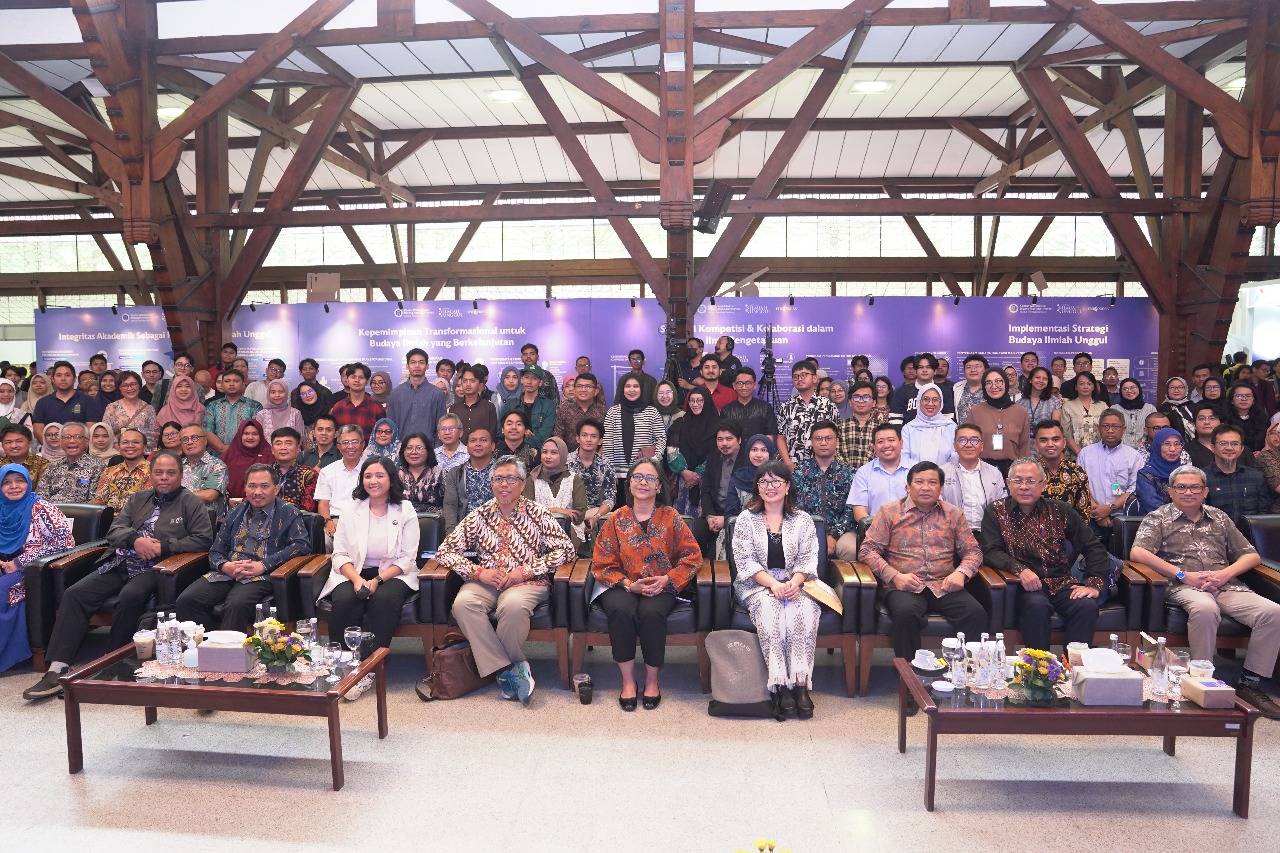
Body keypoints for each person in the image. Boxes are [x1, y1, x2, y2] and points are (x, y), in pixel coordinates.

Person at [23, 451, 213, 700]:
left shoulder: (191, 503)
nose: (164, 477)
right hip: (122, 560)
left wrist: (163, 546)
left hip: (158, 566)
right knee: (76, 593)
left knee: (130, 596)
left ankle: (110, 664)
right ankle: (57, 669)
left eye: (170, 472)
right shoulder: (139, 498)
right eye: (158, 472)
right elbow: (115, 530)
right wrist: (135, 541)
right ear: (151, 475)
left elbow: (203, 539)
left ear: (181, 475)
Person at [1129, 465, 1280, 718]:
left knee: (1273, 612)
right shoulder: (1158, 517)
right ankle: (1201, 680)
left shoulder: (1219, 517)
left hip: (1225, 585)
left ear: (1205, 491)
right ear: (1170, 491)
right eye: (1181, 487)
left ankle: (1250, 683)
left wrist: (1225, 574)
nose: (1188, 492)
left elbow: (1251, 555)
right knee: (1205, 608)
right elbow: (1138, 552)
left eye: (1195, 487)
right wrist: (1183, 574)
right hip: (1183, 585)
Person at [435, 455, 576, 706]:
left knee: (511, 606)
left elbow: (566, 550)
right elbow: (445, 551)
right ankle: (509, 669)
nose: (504, 484)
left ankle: (501, 670)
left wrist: (525, 571)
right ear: (491, 484)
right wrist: (478, 572)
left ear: (522, 484)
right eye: (498, 479)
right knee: (463, 604)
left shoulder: (538, 513)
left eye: (511, 479)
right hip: (486, 580)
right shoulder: (480, 514)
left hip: (527, 582)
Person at [859, 461, 984, 710]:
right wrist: (894, 576)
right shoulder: (889, 512)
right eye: (919, 482)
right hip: (905, 584)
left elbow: (973, 551)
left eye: (932, 483)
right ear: (908, 486)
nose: (926, 487)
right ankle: (911, 686)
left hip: (943, 584)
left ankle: (965, 682)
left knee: (976, 614)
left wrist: (961, 573)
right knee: (906, 614)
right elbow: (867, 550)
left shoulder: (953, 514)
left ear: (941, 488)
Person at [589, 458, 701, 710]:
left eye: (650, 478)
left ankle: (652, 681)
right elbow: (602, 562)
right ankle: (628, 681)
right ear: (629, 484)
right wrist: (629, 584)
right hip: (622, 584)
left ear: (659, 486)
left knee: (651, 613)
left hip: (661, 583)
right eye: (637, 477)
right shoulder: (616, 518)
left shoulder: (671, 517)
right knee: (621, 610)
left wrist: (668, 579)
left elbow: (692, 556)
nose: (643, 482)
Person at [980, 457, 1108, 651]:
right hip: (1024, 586)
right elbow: (990, 551)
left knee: (1086, 606)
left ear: (1043, 484)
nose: (1024, 486)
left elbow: (1093, 546)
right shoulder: (996, 511)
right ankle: (1039, 666)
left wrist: (1094, 583)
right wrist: (1020, 569)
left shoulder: (1061, 510)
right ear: (1008, 483)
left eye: (1031, 481)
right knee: (1037, 606)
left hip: (1061, 581)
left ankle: (1074, 665)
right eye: (1018, 480)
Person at [731, 460, 822, 718]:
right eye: (764, 482)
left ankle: (801, 684)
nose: (770, 487)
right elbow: (745, 561)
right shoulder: (746, 519)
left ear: (787, 486)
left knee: (803, 611)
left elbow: (808, 558)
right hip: (758, 584)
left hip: (796, 582)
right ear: (757, 487)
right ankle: (780, 684)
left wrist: (794, 582)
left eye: (776, 481)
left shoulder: (803, 520)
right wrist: (774, 584)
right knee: (772, 613)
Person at [175, 464, 312, 632]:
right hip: (228, 572)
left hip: (261, 575)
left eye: (264, 486)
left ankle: (230, 649)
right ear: (245, 488)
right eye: (252, 486)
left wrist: (263, 565)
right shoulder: (236, 512)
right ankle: (206, 644)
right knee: (187, 600)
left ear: (276, 489)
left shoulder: (288, 512)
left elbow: (301, 545)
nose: (257, 492)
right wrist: (225, 566)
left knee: (236, 604)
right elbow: (216, 550)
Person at [313, 456, 421, 662]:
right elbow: (340, 554)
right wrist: (356, 580)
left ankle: (372, 663)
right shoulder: (350, 510)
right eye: (368, 476)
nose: (373, 481)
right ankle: (343, 662)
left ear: (391, 479)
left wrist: (377, 581)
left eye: (380, 476)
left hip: (394, 573)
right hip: (354, 571)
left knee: (383, 599)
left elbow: (407, 558)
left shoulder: (405, 509)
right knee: (346, 599)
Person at [0, 464, 73, 671]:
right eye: (6, 482)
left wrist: (19, 562)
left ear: (29, 483)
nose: (14, 486)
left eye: (19, 481)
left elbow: (64, 542)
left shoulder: (41, 508)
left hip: (31, 569)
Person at [787, 422, 855, 560]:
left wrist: (834, 535)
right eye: (818, 439)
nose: (823, 443)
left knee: (850, 549)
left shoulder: (849, 473)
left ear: (837, 441)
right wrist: (814, 534)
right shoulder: (799, 472)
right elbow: (794, 507)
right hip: (806, 531)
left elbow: (851, 510)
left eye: (828, 438)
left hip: (842, 532)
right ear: (812, 442)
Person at [1075, 409, 1141, 544]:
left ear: (1123, 429)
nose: (1110, 431)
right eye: (1105, 426)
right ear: (1098, 428)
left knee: (1122, 555)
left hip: (1122, 518)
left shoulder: (1134, 456)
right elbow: (1079, 485)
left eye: (1115, 427)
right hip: (1091, 518)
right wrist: (1098, 512)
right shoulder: (1085, 454)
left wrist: (1109, 509)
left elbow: (1134, 489)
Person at [601, 375, 666, 507]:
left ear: (642, 389)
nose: (632, 390)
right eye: (628, 386)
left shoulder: (651, 412)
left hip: (645, 476)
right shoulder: (613, 412)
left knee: (643, 511)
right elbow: (607, 444)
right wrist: (610, 472)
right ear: (622, 389)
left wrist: (654, 460)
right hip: (619, 476)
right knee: (620, 513)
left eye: (636, 386)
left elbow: (661, 439)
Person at [687, 421, 745, 559]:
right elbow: (705, 491)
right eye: (720, 439)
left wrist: (725, 519)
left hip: (737, 516)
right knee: (693, 535)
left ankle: (712, 569)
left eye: (729, 439)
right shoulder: (713, 458)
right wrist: (710, 517)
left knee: (714, 554)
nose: (724, 443)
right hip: (714, 514)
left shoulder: (747, 461)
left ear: (739, 440)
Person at [941, 423, 1008, 531]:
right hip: (952, 533)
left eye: (974, 440)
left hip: (987, 533)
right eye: (962, 440)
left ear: (982, 446)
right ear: (955, 446)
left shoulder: (994, 473)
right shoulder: (942, 473)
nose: (968, 445)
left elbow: (1002, 506)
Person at [665, 387, 720, 517]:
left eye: (700, 400)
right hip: (683, 482)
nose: (695, 404)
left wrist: (699, 473)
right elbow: (671, 449)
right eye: (692, 400)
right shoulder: (680, 424)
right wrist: (684, 472)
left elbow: (719, 452)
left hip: (708, 481)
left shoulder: (718, 426)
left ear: (707, 401)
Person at [524, 436, 587, 546]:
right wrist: (557, 510)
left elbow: (580, 515)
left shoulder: (573, 479)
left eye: (554, 452)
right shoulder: (532, 479)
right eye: (544, 452)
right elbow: (527, 512)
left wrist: (546, 514)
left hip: (568, 532)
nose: (548, 456)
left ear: (562, 455)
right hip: (538, 531)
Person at [1204, 423, 1271, 527]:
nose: (1229, 448)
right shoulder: (1202, 478)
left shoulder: (1255, 477)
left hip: (1250, 535)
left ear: (1241, 449)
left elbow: (1264, 514)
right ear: (1212, 447)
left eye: (1235, 444)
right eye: (1223, 443)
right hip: (1215, 535)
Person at [966, 368, 1030, 476]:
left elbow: (1024, 447)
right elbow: (969, 444)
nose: (994, 386)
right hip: (981, 471)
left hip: (1012, 472)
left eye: (998, 381)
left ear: (1006, 383)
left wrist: (1023, 472)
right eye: (988, 382)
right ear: (984, 386)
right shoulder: (975, 412)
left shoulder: (1020, 412)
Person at [777, 361, 840, 470]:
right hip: (793, 466)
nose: (799, 379)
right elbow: (781, 437)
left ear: (814, 378)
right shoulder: (786, 407)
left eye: (804, 375)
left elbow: (835, 437)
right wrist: (788, 463)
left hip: (821, 467)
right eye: (795, 376)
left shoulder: (829, 406)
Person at [849, 422, 912, 525]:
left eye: (891, 440)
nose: (886, 445)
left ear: (901, 443)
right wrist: (878, 529)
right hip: (875, 529)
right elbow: (859, 511)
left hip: (912, 529)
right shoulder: (864, 472)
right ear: (874, 447)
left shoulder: (916, 470)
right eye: (880, 441)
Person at [1033, 420, 1095, 521]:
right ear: (1036, 445)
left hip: (1070, 530)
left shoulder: (1077, 472)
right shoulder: (1027, 473)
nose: (1050, 444)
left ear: (1064, 443)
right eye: (1044, 440)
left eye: (1055, 439)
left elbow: (1084, 514)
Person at [316, 424, 367, 543]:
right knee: (325, 540)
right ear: (339, 446)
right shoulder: (327, 471)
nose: (350, 446)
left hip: (365, 520)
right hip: (336, 520)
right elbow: (323, 504)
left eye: (355, 442)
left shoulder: (371, 470)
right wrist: (328, 522)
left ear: (363, 445)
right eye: (345, 443)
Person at [442, 426, 496, 536]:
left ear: (492, 446)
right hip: (465, 532)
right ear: (467, 448)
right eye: (473, 441)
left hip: (496, 530)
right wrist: (451, 533)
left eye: (483, 440)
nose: (478, 444)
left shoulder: (503, 471)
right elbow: (450, 505)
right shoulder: (456, 473)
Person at [387, 348, 447, 447]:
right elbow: (390, 427)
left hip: (428, 450)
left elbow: (441, 427)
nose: (417, 366)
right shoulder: (396, 394)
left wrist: (436, 452)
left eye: (421, 362)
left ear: (427, 366)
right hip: (400, 450)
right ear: (407, 366)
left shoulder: (437, 394)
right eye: (413, 362)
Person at [32, 361, 104, 443]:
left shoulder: (88, 401)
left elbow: (91, 429)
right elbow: (38, 430)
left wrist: (75, 446)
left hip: (80, 448)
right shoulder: (42, 403)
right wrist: (52, 447)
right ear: (52, 379)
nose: (63, 378)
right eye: (59, 375)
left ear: (74, 379)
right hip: (51, 448)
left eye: (67, 375)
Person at [36, 422, 104, 503]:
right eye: (67, 437)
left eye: (78, 436)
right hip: (52, 510)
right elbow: (40, 497)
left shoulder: (97, 467)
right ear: (60, 442)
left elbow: (95, 501)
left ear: (86, 442)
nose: (72, 441)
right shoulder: (53, 467)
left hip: (81, 510)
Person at [568, 418, 614, 536]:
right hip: (569, 514)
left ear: (600, 441)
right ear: (577, 438)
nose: (588, 439)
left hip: (595, 513)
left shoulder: (606, 465)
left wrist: (597, 516)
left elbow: (610, 498)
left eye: (593, 436)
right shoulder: (566, 462)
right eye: (584, 435)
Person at [201, 369, 261, 455]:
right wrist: (222, 448)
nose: (231, 384)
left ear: (243, 384)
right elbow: (207, 431)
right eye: (227, 381)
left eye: (236, 381)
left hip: (246, 454)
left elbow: (256, 432)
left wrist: (239, 450)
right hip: (218, 456)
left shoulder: (254, 406)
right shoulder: (212, 406)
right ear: (222, 385)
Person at [177, 423, 228, 520]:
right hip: (177, 519)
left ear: (205, 441)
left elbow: (210, 496)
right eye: (185, 439)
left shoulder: (217, 465)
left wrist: (175, 495)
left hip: (205, 520)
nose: (189, 442)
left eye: (194, 438)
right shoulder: (176, 465)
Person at [91, 428, 150, 512]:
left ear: (144, 448)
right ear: (119, 447)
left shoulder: (154, 472)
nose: (130, 445)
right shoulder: (108, 472)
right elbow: (100, 501)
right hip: (109, 518)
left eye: (135, 442)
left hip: (139, 518)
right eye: (125, 442)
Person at [889, 353, 955, 426]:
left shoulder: (944, 392)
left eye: (928, 367)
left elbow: (948, 419)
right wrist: (905, 433)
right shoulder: (901, 391)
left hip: (938, 432)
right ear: (916, 371)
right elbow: (895, 420)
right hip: (908, 432)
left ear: (935, 371)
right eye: (920, 367)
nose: (924, 370)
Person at [1187, 402, 1256, 470]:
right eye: (1201, 418)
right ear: (1194, 425)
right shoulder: (1186, 451)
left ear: (1222, 424)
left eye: (1212, 418)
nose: (1207, 422)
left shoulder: (1240, 449)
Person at [719, 367, 779, 443]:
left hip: (759, 449)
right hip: (734, 450)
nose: (744, 387)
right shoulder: (726, 410)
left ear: (754, 385)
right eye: (740, 383)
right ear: (734, 385)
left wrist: (760, 449)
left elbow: (769, 436)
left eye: (748, 383)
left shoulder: (765, 408)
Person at [1133, 427, 1186, 515]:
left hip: (1188, 520)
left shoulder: (1186, 473)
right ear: (1157, 446)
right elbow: (1154, 506)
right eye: (1167, 444)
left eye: (1177, 444)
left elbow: (1198, 501)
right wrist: (1182, 518)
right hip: (1155, 521)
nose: (1172, 449)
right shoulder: (1145, 475)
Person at [900, 384, 956, 466]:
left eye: (935, 399)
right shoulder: (908, 429)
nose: (930, 403)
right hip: (915, 473)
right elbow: (905, 458)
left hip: (946, 473)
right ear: (919, 401)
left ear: (941, 403)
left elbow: (955, 457)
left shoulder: (951, 427)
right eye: (926, 399)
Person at [329, 362, 386, 441]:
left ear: (367, 381)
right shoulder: (338, 407)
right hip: (343, 449)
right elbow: (333, 435)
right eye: (353, 377)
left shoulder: (377, 407)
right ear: (347, 380)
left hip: (369, 449)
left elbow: (382, 436)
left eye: (361, 377)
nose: (357, 380)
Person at [502, 366, 556, 449]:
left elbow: (544, 436)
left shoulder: (548, 405)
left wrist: (522, 439)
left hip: (539, 452)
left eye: (534, 378)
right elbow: (501, 431)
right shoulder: (510, 404)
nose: (529, 382)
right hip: (512, 451)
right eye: (526, 377)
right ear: (521, 380)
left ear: (540, 382)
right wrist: (521, 433)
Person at [220, 420, 274, 502]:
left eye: (255, 434)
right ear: (240, 435)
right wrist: (227, 501)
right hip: (231, 504)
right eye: (246, 433)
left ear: (261, 435)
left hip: (262, 502)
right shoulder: (227, 457)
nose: (250, 437)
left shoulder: (269, 457)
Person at [552, 372, 606, 453]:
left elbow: (606, 440)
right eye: (579, 386)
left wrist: (597, 458)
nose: (583, 390)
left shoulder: (602, 411)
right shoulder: (564, 409)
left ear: (596, 391)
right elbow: (558, 437)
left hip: (595, 457)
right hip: (568, 457)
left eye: (588, 386)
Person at [836, 380, 883, 470]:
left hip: (874, 474)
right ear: (850, 402)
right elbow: (835, 453)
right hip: (844, 475)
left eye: (866, 397)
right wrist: (848, 472)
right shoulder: (839, 426)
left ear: (874, 402)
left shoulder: (881, 428)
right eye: (856, 397)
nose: (861, 401)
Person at [269, 426, 318, 512]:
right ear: (272, 449)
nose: (283, 447)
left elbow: (307, 507)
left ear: (298, 449)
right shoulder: (263, 473)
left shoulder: (309, 475)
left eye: (288, 443)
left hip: (298, 518)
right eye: (278, 443)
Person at [1060, 371, 1107, 457]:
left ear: (1093, 387)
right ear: (1076, 387)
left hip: (1100, 454)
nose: (1085, 387)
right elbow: (1066, 433)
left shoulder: (1103, 406)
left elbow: (1107, 429)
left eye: (1089, 384)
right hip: (1074, 455)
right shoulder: (1068, 406)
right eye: (1081, 384)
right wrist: (1080, 453)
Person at [397, 432, 443, 515]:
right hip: (401, 520)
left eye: (419, 448)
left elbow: (450, 504)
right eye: (409, 448)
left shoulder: (440, 474)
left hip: (433, 521)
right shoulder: (397, 475)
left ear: (428, 451)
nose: (414, 452)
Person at [1017, 366, 1060, 443]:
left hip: (1046, 444)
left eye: (1045, 379)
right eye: (1037, 377)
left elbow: (1055, 427)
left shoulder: (1054, 401)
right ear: (1030, 380)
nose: (1041, 381)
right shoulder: (1020, 403)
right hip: (1024, 444)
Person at [254, 378, 305, 443]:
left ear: (286, 393)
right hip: (266, 449)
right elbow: (258, 438)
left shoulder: (296, 413)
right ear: (268, 394)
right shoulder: (262, 415)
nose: (277, 395)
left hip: (292, 449)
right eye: (273, 392)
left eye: (281, 392)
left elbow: (300, 438)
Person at [1224, 382, 1267, 452]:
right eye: (1239, 396)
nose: (1244, 399)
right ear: (1232, 400)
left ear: (1253, 400)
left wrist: (1261, 452)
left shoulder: (1263, 419)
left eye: (1248, 396)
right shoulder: (1224, 419)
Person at [1113, 378, 1156, 449]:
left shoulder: (1150, 408)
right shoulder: (1114, 409)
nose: (1129, 391)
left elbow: (1155, 430)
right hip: (1120, 449)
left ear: (1139, 389)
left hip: (1146, 449)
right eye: (1125, 389)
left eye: (1132, 387)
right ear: (1121, 392)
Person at [954, 354, 988, 424]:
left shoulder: (991, 388)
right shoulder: (956, 388)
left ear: (986, 370)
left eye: (977, 366)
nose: (973, 370)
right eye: (968, 367)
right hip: (961, 430)